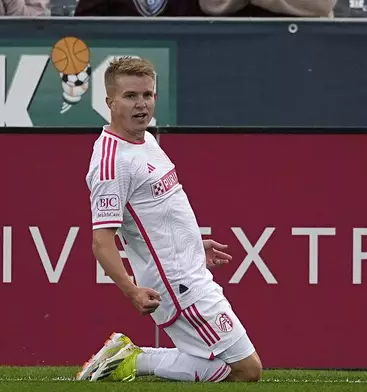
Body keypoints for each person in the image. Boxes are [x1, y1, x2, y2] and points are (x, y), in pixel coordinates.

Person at [79, 56, 263, 383]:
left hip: (188, 270)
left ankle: (131, 356)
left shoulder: (146, 139)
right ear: (110, 102)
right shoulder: (111, 163)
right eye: (131, 96)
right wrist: (132, 291)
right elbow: (101, 240)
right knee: (246, 371)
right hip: (175, 285)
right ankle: (136, 359)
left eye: (148, 95)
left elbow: (160, 213)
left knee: (238, 367)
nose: (142, 104)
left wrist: (194, 245)